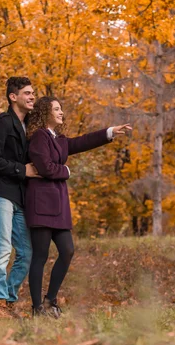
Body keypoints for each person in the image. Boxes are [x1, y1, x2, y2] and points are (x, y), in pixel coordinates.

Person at [25, 96, 131, 318]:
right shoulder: (38, 137)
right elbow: (45, 167)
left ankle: (50, 300)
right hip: (41, 204)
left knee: (67, 250)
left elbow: (82, 142)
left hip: (59, 207)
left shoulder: (58, 139)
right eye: (56, 109)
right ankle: (37, 309)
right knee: (40, 256)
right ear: (45, 113)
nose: (61, 112)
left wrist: (110, 131)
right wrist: (67, 172)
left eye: (61, 108)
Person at [0, 76, 37, 319]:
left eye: (32, 92)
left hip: (19, 196)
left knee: (26, 253)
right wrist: (21, 169)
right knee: (3, 249)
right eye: (27, 93)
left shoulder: (29, 127)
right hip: (0, 192)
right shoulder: (3, 122)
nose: (32, 96)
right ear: (13, 97)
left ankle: (9, 300)